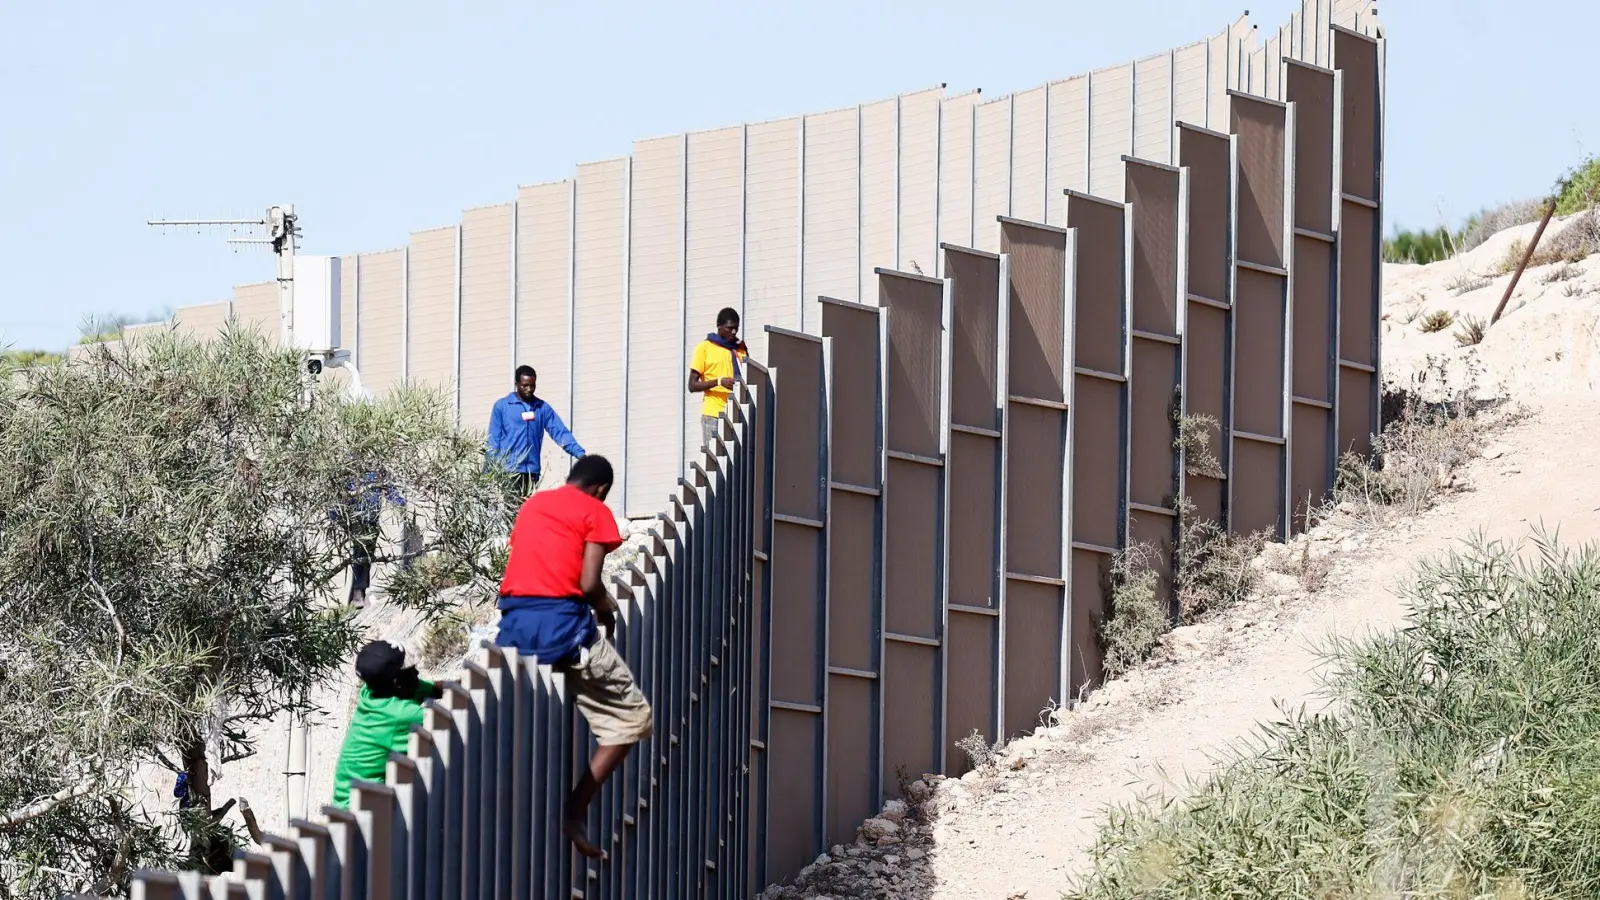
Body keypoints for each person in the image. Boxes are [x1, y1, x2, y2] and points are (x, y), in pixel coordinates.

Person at [494, 454, 652, 859]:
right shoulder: (595, 511)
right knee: (632, 719)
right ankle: (575, 809)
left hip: (513, 626)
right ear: (601, 489)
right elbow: (587, 582)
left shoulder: (533, 504)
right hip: (561, 629)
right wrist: (607, 610)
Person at [330, 640, 444, 809]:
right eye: (411, 671)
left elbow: (437, 688)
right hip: (359, 814)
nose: (417, 673)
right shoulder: (401, 715)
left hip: (348, 804)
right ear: (397, 683)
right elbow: (453, 726)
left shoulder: (372, 692)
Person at [487, 365, 586, 497]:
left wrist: (580, 454)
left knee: (525, 509)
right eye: (525, 385)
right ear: (517, 384)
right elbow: (493, 440)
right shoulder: (502, 406)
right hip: (509, 470)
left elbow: (559, 432)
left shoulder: (542, 408)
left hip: (531, 470)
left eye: (532, 385)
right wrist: (487, 471)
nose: (529, 389)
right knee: (513, 509)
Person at [688, 308, 749, 449]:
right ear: (719, 326)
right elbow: (692, 385)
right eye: (729, 328)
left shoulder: (740, 349)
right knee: (715, 462)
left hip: (738, 414)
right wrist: (719, 382)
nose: (733, 332)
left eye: (736, 329)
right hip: (714, 414)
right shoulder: (705, 348)